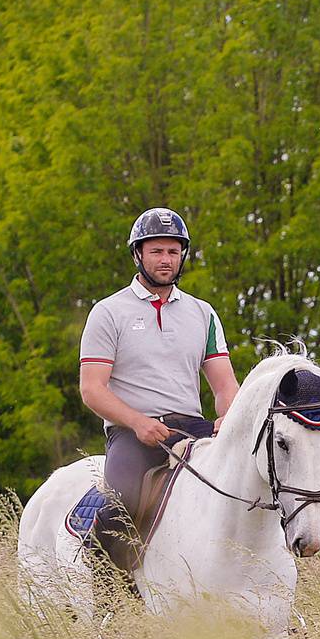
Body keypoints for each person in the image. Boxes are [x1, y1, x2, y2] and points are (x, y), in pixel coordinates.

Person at [77, 208, 238, 568]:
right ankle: (111, 599)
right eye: (156, 251)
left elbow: (225, 384)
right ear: (138, 254)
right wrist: (137, 422)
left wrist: (228, 416)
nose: (166, 260)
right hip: (134, 435)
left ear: (183, 255)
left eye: (173, 251)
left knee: (247, 488)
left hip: (193, 429)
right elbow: (92, 389)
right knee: (121, 503)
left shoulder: (204, 314)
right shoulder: (108, 312)